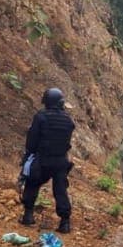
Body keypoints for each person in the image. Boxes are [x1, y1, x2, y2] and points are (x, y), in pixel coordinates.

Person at [20, 87, 75, 233]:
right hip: (61, 161)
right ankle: (65, 223)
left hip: (43, 159)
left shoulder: (41, 117)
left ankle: (28, 215)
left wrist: (28, 156)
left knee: (32, 183)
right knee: (61, 190)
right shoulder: (68, 119)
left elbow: (31, 141)